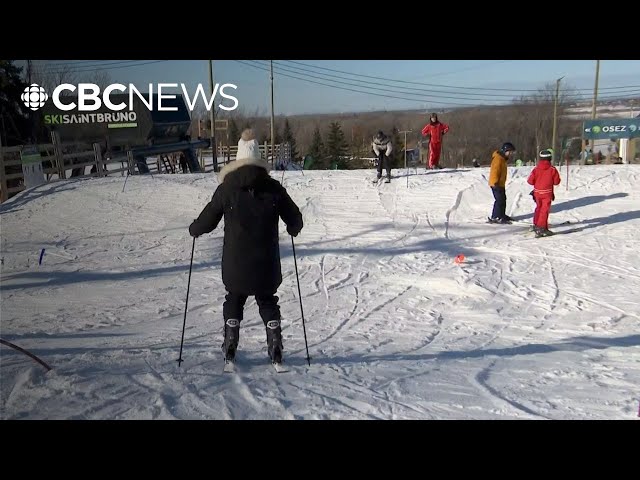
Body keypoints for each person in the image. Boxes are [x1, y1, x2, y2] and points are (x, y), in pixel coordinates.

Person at [188, 128, 304, 366]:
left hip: (235, 264)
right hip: (266, 265)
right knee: (267, 299)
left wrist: (194, 229)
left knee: (234, 297)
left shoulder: (227, 189)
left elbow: (208, 220)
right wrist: (293, 228)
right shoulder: (273, 188)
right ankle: (274, 342)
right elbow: (295, 219)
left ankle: (230, 340)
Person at [527, 149, 561, 237]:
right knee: (544, 210)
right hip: (547, 193)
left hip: (537, 193)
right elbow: (556, 182)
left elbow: (530, 181)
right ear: (550, 158)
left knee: (539, 208)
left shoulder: (536, 169)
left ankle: (536, 224)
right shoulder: (552, 169)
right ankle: (541, 227)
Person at [488, 142, 516, 224]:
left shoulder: (502, 159)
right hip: (496, 184)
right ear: (505, 150)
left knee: (503, 199)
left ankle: (501, 215)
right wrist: (495, 182)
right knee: (499, 200)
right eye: (509, 152)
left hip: (500, 183)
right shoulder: (498, 159)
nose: (510, 154)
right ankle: (495, 216)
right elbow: (494, 171)